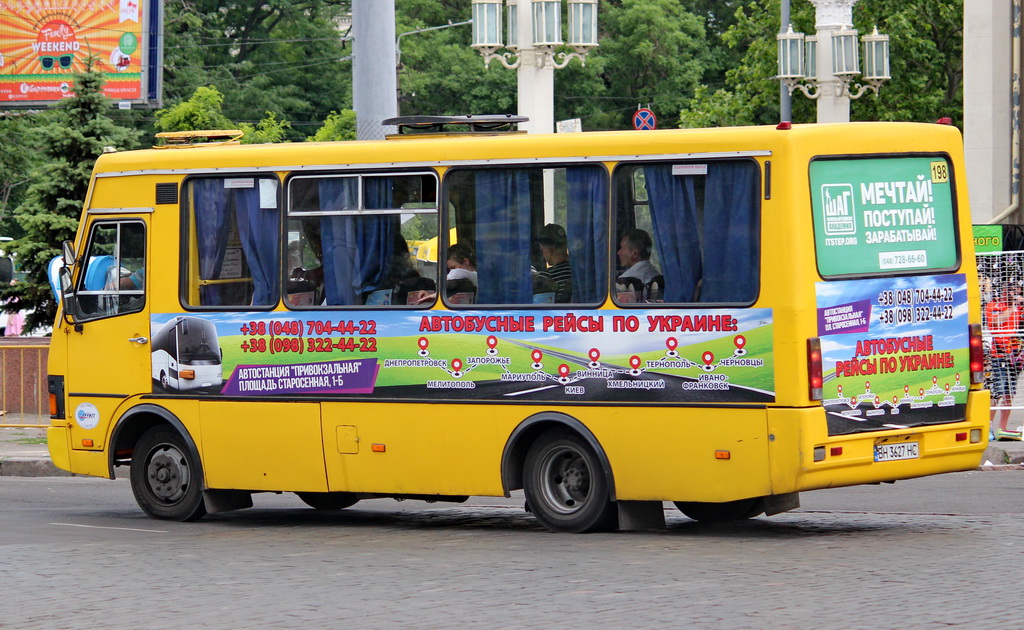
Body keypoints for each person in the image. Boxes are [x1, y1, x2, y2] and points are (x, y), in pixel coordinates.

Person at [985, 282, 1023, 440]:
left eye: (1014, 290)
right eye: (1008, 290)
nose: (1012, 293)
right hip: (998, 356)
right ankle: (988, 428)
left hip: (1015, 357)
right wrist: (1012, 308)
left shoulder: (1018, 307)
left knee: (1009, 394)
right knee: (996, 394)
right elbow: (995, 322)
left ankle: (1003, 428)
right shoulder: (993, 306)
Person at [535, 223, 572, 303]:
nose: (543, 254)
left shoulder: (545, 277)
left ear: (548, 250)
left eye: (542, 250)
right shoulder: (579, 274)